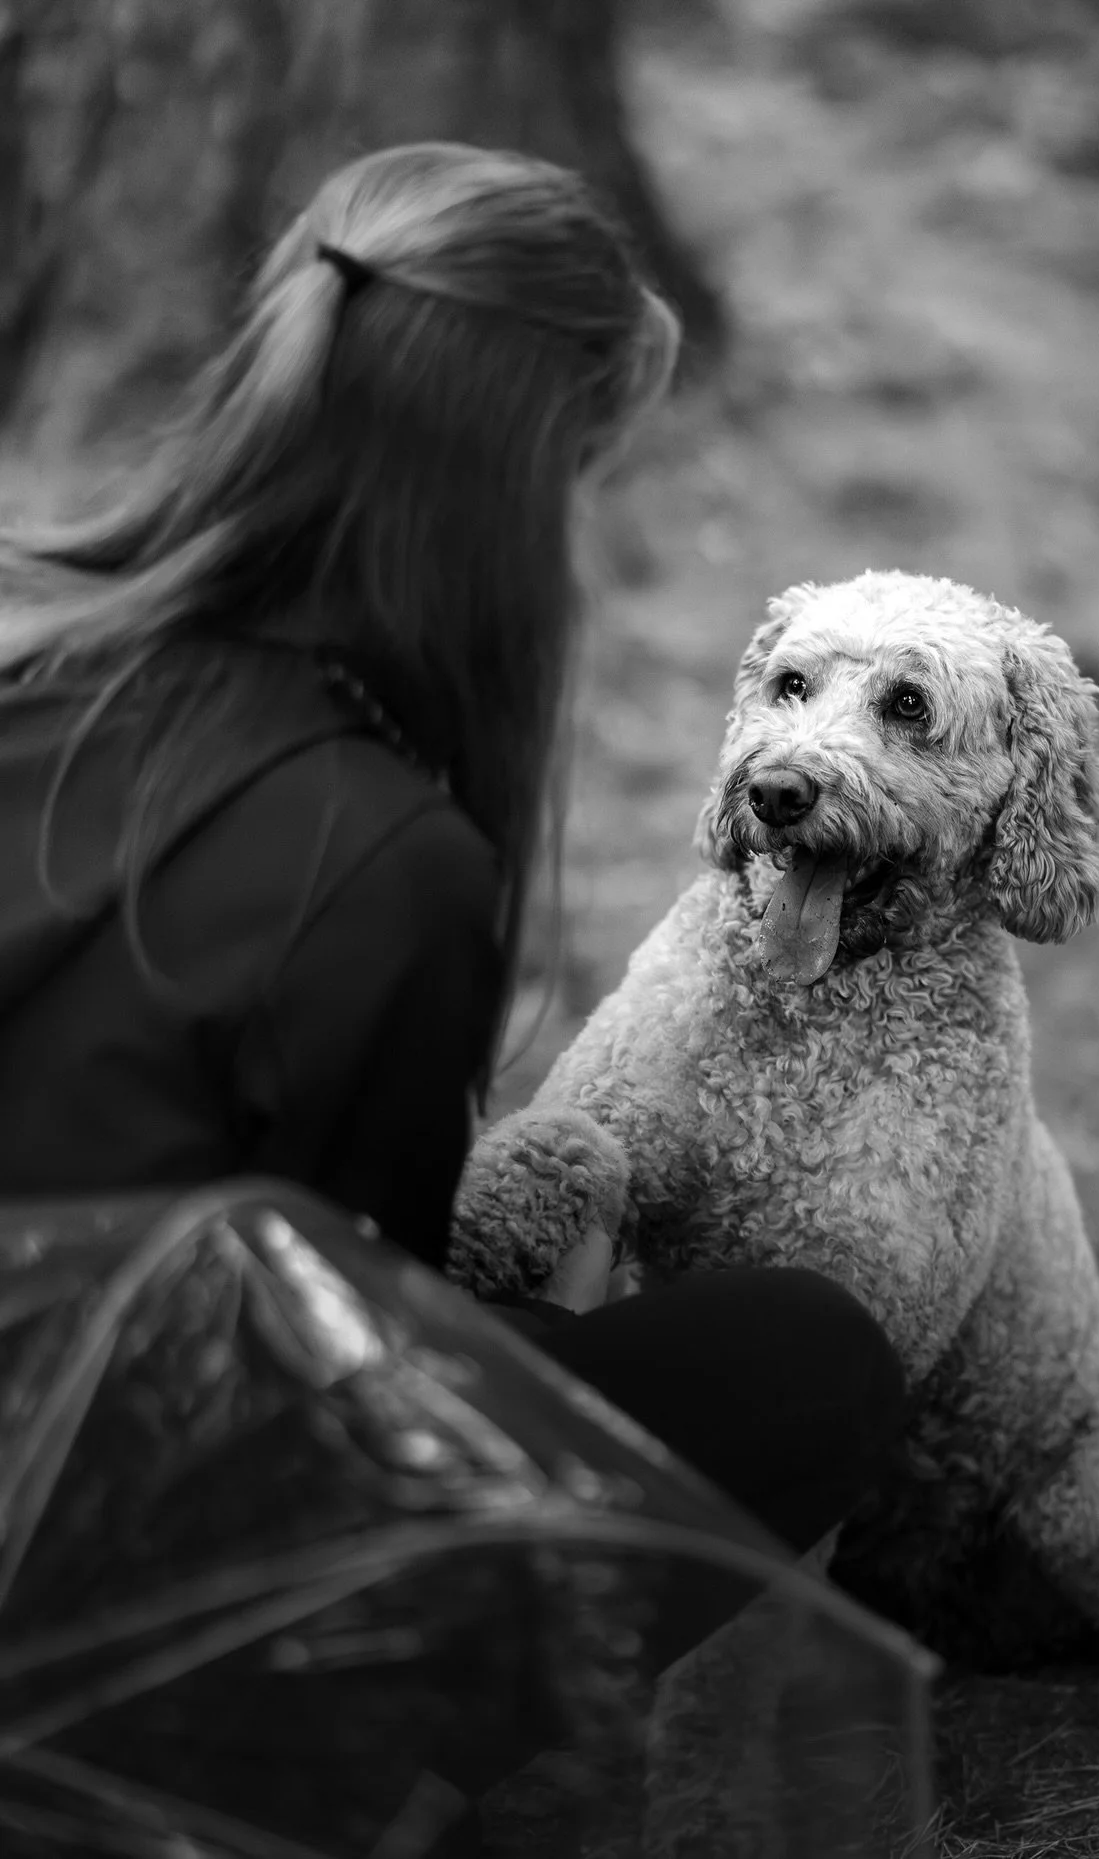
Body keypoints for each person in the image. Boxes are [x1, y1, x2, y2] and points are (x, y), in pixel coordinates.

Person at [0, 142, 905, 1565]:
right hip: (102, 1556)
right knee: (804, 1360)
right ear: (522, 494)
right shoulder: (377, 864)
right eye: (588, 484)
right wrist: (547, 1312)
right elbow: (336, 1376)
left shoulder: (30, 655)